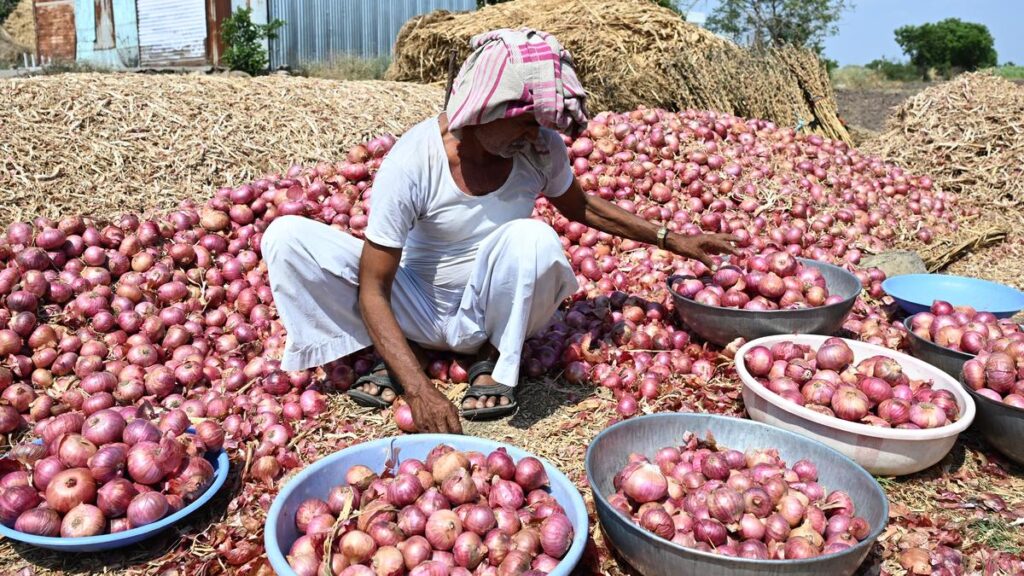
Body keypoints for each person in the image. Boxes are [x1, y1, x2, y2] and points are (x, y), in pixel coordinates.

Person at [262, 28, 736, 434]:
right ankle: (398, 355)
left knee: (534, 239)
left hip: (489, 314)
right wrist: (419, 390)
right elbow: (373, 286)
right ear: (480, 108)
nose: (534, 135)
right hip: (417, 307)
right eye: (524, 123)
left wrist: (671, 239)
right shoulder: (414, 159)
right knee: (286, 237)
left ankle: (493, 363)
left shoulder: (540, 148)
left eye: (540, 124)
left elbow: (581, 207)